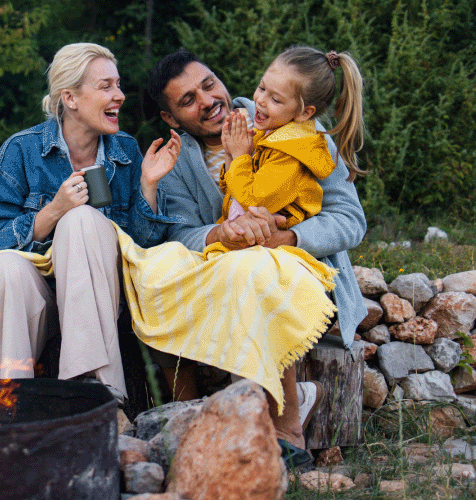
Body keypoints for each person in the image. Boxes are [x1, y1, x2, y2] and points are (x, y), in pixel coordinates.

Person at [146, 48, 368, 468]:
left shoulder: (292, 125)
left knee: (251, 270)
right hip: (222, 273)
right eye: (188, 100)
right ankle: (192, 417)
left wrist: (288, 236)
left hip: (291, 273)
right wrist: (219, 233)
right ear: (172, 119)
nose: (208, 99)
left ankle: (285, 430)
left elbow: (351, 221)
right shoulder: (175, 163)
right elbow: (176, 234)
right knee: (157, 272)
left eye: (209, 84)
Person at [0, 42, 182, 403]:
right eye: (105, 86)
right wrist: (53, 211)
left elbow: (144, 247)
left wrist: (148, 186)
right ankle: (7, 402)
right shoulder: (21, 151)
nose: (119, 95)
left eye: (118, 84)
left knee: (82, 222)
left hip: (106, 301)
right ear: (70, 98)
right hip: (38, 301)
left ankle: (90, 389)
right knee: (6, 268)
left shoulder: (126, 152)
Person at [219, 45, 366, 234]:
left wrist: (240, 156)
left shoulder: (290, 153)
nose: (261, 100)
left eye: (276, 100)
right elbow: (235, 192)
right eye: (262, 87)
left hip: (273, 248)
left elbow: (252, 202)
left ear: (305, 112)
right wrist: (231, 154)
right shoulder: (269, 135)